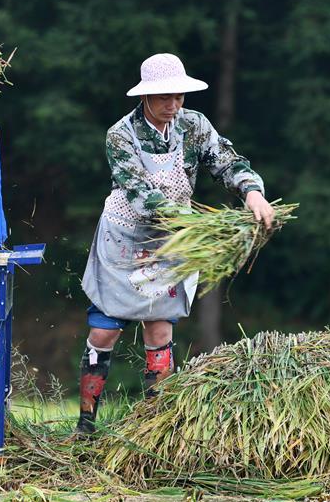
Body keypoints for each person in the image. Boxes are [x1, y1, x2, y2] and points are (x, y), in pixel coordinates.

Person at [76, 53, 275, 434]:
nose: (173, 105)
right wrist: (195, 222)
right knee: (104, 331)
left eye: (179, 97)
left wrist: (252, 192)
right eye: (164, 97)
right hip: (125, 236)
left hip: (172, 240)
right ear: (146, 98)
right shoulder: (121, 135)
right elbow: (140, 195)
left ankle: (155, 425)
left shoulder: (194, 125)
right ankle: (86, 425)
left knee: (160, 330)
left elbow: (226, 161)